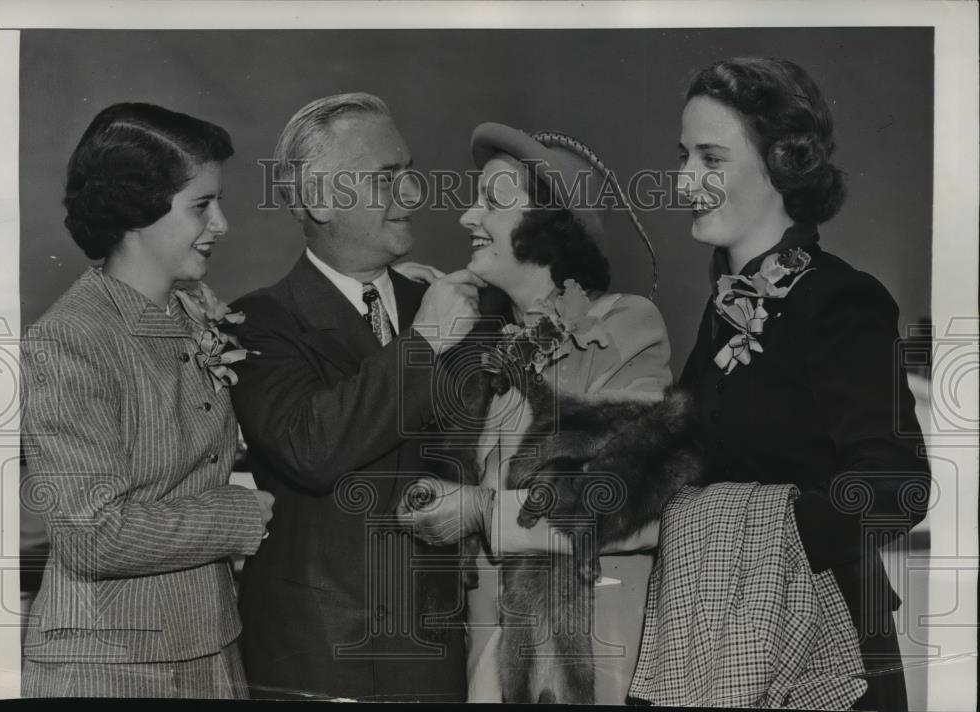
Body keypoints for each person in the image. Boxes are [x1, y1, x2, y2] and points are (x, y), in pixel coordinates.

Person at [398, 123, 684, 704]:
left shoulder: (623, 324)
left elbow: (626, 500)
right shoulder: (484, 345)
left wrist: (480, 509)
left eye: (494, 200)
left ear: (554, 225)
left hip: (585, 648)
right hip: (486, 648)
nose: (467, 218)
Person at [676, 57, 930, 711]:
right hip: (727, 639)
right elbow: (678, 453)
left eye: (710, 159)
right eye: (684, 157)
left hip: (829, 647)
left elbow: (895, 486)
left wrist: (761, 534)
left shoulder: (841, 299)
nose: (684, 183)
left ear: (782, 167)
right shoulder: (722, 310)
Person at [228, 93, 481, 701]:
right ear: (317, 199)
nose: (414, 196)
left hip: (434, 650)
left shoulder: (443, 306)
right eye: (385, 178)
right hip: (314, 655)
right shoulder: (257, 320)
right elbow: (311, 445)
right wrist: (424, 344)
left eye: (409, 173)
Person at [19, 102, 275, 698]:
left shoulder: (189, 314)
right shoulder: (70, 339)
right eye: (201, 206)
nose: (222, 225)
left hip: (211, 644)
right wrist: (237, 515)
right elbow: (91, 534)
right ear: (137, 211)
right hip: (108, 661)